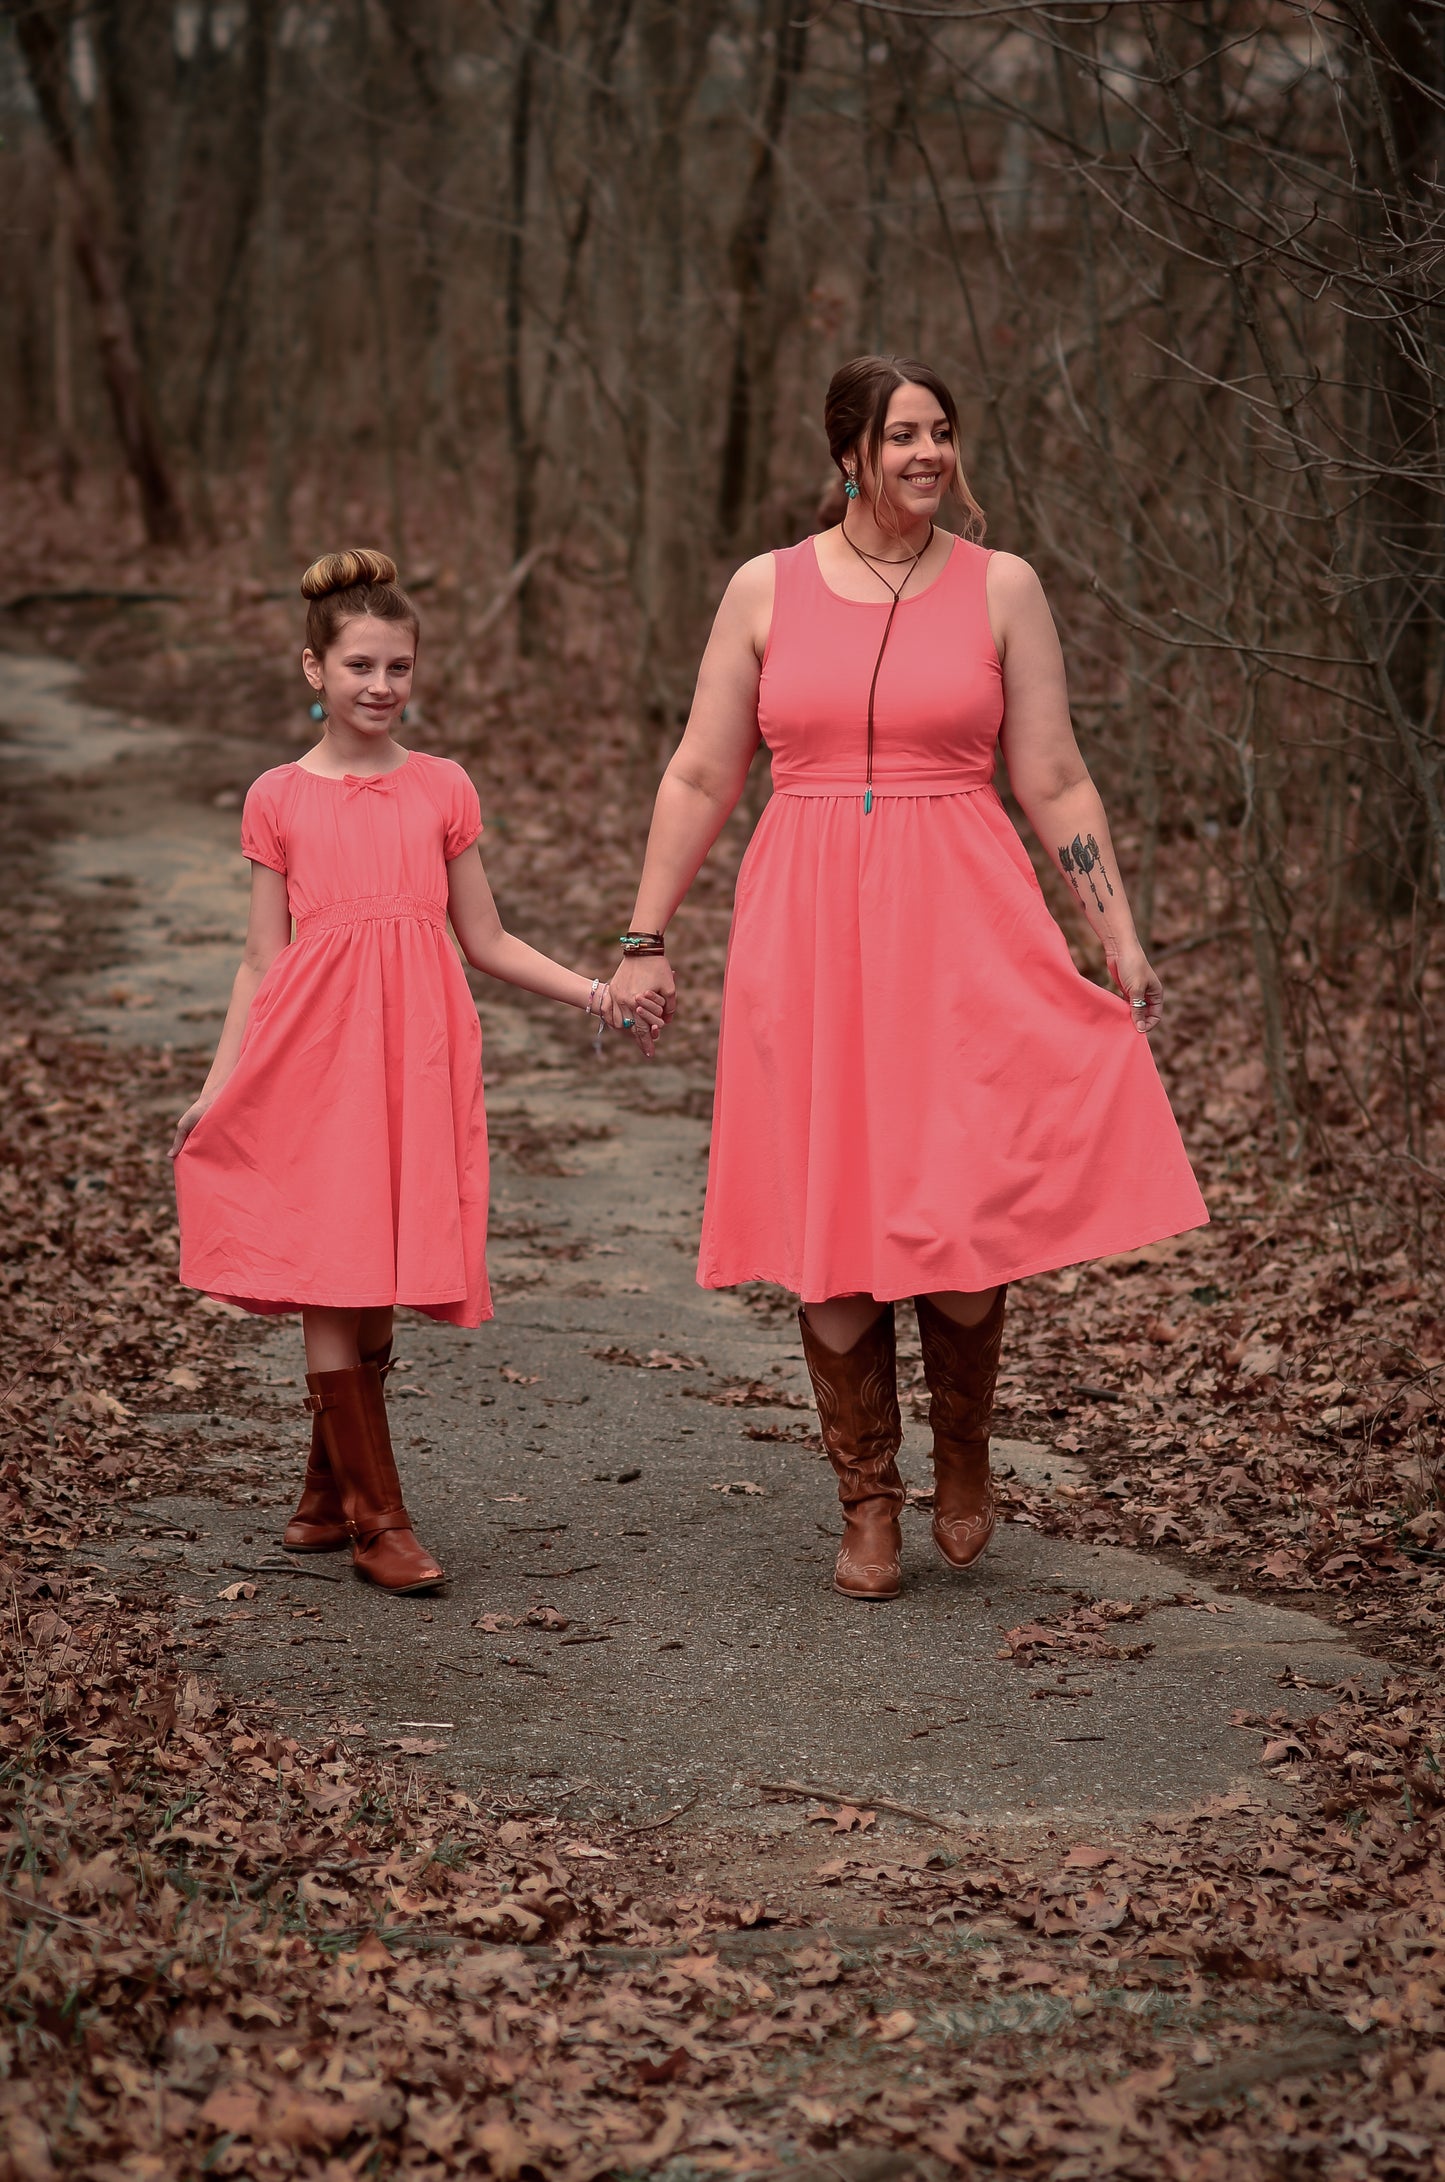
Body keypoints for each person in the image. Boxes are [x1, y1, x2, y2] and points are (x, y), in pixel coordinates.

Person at [611, 355, 1207, 1602]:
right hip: (809, 919)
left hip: (963, 914)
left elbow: (1052, 774)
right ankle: (866, 1496)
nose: (927, 454)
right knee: (833, 1209)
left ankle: (965, 1455)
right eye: (902, 436)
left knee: (957, 1194)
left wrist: (1119, 933)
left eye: (941, 432)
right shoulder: (763, 589)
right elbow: (697, 772)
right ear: (850, 455)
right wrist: (643, 932)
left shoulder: (1002, 588)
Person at [171, 549, 659, 1595]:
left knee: (381, 1264)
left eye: (398, 667)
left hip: (418, 1053)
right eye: (358, 665)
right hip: (311, 1057)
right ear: (315, 669)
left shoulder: (441, 787)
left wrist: (595, 992)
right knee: (331, 1262)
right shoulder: (276, 797)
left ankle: (319, 1490)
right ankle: (375, 1519)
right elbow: (261, 957)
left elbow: (481, 936)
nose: (380, 686)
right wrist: (220, 1083)